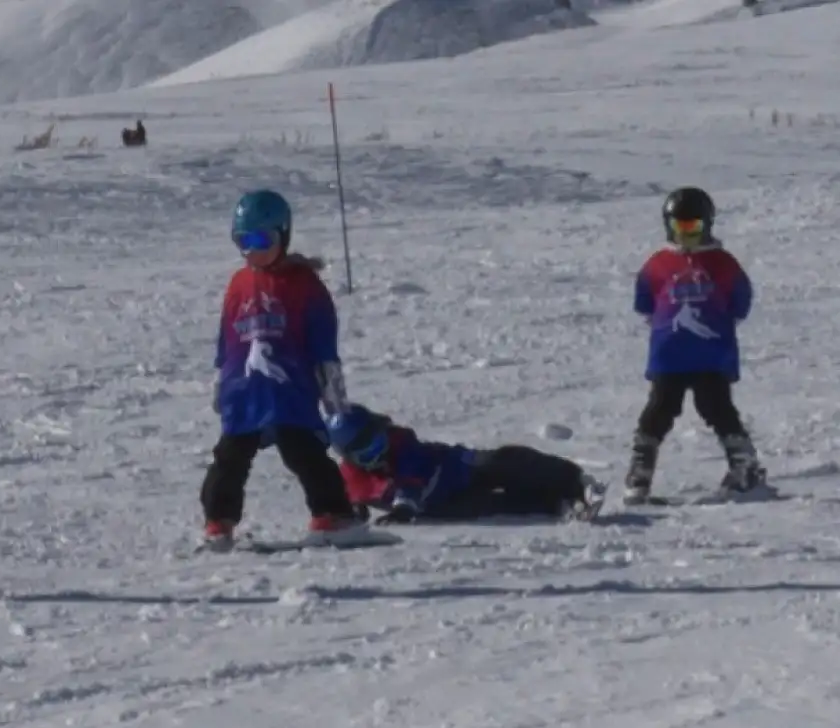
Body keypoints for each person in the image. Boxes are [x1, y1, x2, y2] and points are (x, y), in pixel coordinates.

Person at [200, 189, 366, 551]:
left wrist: (333, 393)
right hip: (244, 390)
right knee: (229, 457)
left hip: (289, 388)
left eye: (260, 240)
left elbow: (323, 341)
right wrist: (221, 380)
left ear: (283, 235)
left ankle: (332, 514)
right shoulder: (238, 283)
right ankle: (218, 521)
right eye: (242, 241)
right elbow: (227, 337)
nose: (250, 251)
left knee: (303, 451)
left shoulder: (305, 285)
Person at [625, 186, 767, 505]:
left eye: (694, 228)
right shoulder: (658, 263)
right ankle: (640, 472)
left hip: (711, 355)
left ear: (707, 225)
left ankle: (744, 467)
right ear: (669, 226)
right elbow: (644, 301)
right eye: (681, 228)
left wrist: (720, 324)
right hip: (670, 356)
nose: (687, 235)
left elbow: (740, 301)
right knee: (659, 410)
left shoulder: (722, 262)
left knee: (717, 409)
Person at [325, 405, 609, 523]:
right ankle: (558, 506)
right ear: (351, 459)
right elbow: (350, 499)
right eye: (368, 452)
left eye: (379, 441)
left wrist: (402, 507)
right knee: (495, 506)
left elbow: (411, 479)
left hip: (456, 467)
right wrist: (349, 515)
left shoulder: (402, 446)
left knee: (506, 462)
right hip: (440, 506)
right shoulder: (351, 478)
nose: (379, 453)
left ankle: (575, 481)